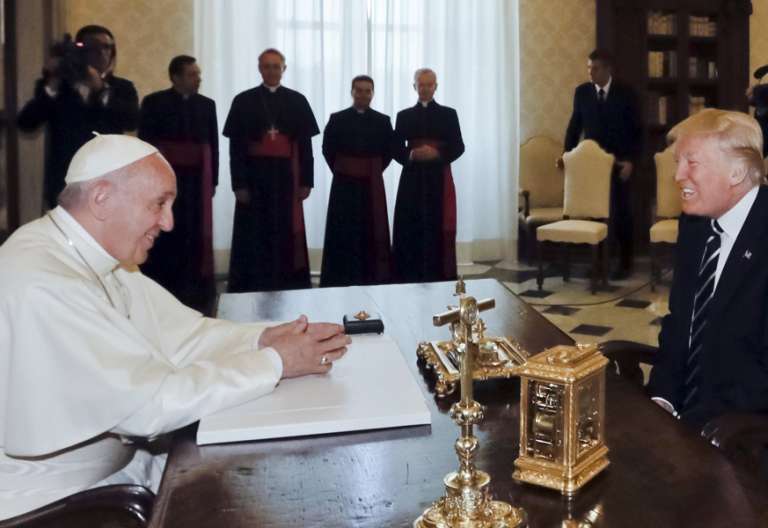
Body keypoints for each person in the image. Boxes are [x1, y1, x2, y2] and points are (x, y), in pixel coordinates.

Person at [0, 134, 349, 520]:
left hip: (118, 468)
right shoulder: (43, 281)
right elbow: (151, 404)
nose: (168, 223)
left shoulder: (94, 257)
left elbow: (185, 337)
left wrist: (262, 338)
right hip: (56, 500)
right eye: (159, 203)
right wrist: (276, 363)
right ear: (101, 198)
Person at [647, 109, 768, 430]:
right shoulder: (696, 223)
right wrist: (661, 400)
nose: (677, 176)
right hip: (686, 419)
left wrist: (691, 426)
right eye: (678, 162)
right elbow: (679, 324)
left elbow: (760, 378)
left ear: (737, 172)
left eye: (692, 163)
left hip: (742, 435)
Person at [223, 48, 319, 292]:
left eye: (276, 66)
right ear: (259, 69)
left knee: (285, 233)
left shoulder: (297, 100)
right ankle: (253, 283)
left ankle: (288, 283)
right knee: (254, 234)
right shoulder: (243, 101)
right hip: (255, 178)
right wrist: (239, 184)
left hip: (287, 177)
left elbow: (306, 146)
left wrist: (306, 181)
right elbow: (236, 148)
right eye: (267, 66)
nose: (272, 71)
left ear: (284, 69)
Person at [17, 24, 139, 210]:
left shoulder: (122, 88)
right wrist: (51, 86)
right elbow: (26, 123)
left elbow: (131, 121)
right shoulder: (58, 86)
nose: (101, 53)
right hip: (65, 181)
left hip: (108, 180)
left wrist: (101, 90)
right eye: (92, 47)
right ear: (78, 51)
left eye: (106, 47)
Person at [139, 55, 218, 312]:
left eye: (198, 74)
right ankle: (165, 287)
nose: (198, 79)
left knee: (194, 236)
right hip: (164, 182)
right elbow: (146, 144)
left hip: (196, 184)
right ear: (176, 77)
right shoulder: (153, 103)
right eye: (192, 74)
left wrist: (213, 181)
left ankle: (195, 291)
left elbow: (212, 146)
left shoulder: (207, 105)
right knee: (166, 234)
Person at [559, 49, 641, 279]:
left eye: (594, 68)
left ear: (607, 69)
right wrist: (567, 156)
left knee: (622, 213)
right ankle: (597, 263)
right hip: (591, 167)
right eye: (588, 68)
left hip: (619, 164)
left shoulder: (626, 93)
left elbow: (637, 131)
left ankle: (625, 264)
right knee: (594, 215)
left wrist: (631, 162)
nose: (590, 72)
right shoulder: (582, 92)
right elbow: (574, 127)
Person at [391, 68, 464, 283]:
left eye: (429, 84)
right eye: (420, 84)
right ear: (414, 86)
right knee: (410, 226)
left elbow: (459, 146)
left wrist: (437, 154)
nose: (425, 88)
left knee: (436, 226)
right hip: (411, 179)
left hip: (437, 179)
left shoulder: (449, 114)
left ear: (436, 87)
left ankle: (438, 275)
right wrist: (411, 153)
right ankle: (408, 274)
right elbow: (395, 148)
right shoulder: (403, 116)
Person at [320, 75, 394, 287]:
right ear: (351, 92)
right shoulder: (337, 119)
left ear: (372, 93)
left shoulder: (383, 121)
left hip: (371, 186)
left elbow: (388, 152)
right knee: (342, 232)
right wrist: (344, 169)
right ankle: (340, 278)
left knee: (371, 233)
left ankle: (371, 277)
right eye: (359, 90)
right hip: (344, 186)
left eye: (367, 91)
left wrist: (372, 169)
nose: (363, 94)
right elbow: (328, 150)